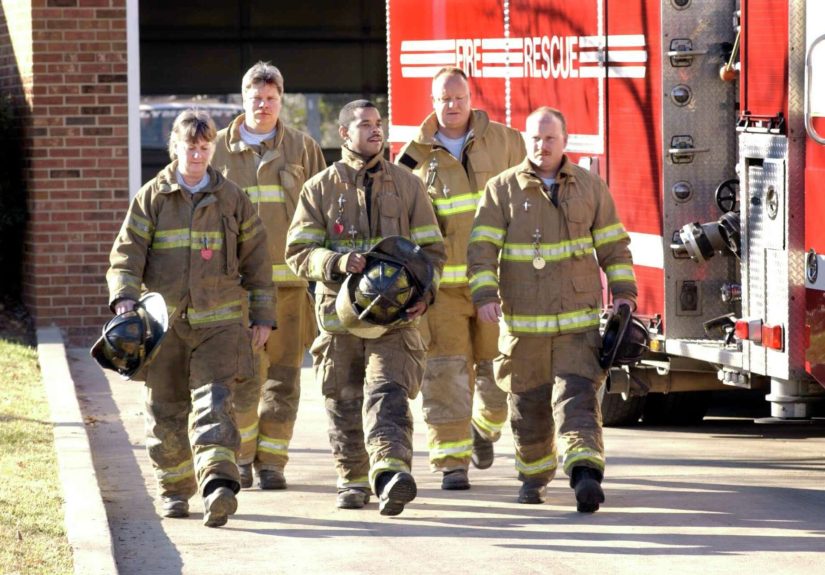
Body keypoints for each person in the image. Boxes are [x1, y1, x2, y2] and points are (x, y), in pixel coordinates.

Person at [105, 109, 275, 527]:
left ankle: (218, 485)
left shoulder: (233, 199)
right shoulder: (152, 197)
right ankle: (175, 490)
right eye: (189, 147)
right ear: (174, 148)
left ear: (213, 148)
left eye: (204, 147)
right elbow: (126, 254)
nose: (197, 154)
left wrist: (262, 316)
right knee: (165, 410)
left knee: (215, 404)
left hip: (220, 325)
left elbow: (258, 262)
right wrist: (124, 298)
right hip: (164, 327)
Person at [467, 107, 637, 513]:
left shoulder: (590, 187)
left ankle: (585, 475)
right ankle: (533, 477)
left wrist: (624, 292)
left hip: (577, 326)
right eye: (535, 138)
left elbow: (614, 246)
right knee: (529, 409)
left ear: (565, 141)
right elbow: (481, 249)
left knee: (578, 401)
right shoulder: (501, 189)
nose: (541, 146)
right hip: (524, 330)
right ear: (525, 140)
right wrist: (485, 295)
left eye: (549, 138)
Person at [286, 100, 446, 515]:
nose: (376, 130)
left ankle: (390, 474)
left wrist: (426, 294)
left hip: (394, 322)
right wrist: (336, 263)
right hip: (338, 320)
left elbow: (432, 251)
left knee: (387, 393)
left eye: (379, 123)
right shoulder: (319, 188)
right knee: (343, 399)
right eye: (365, 124)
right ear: (344, 133)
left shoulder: (408, 185)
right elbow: (298, 251)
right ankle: (352, 479)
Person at [395, 67, 525, 489]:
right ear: (432, 102)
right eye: (443, 99)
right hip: (441, 292)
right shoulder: (412, 158)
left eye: (458, 98)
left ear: (471, 99)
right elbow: (402, 224)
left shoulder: (507, 142)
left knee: (499, 375)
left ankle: (483, 429)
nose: (451, 106)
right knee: (445, 375)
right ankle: (452, 463)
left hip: (497, 284)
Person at [211, 61, 326, 490]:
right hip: (236, 287)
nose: (263, 105)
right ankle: (241, 457)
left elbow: (322, 209)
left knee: (284, 378)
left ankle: (273, 463)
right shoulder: (216, 150)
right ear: (243, 98)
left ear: (281, 99)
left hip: (291, 288)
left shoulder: (303, 148)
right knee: (242, 376)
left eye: (271, 98)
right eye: (256, 98)